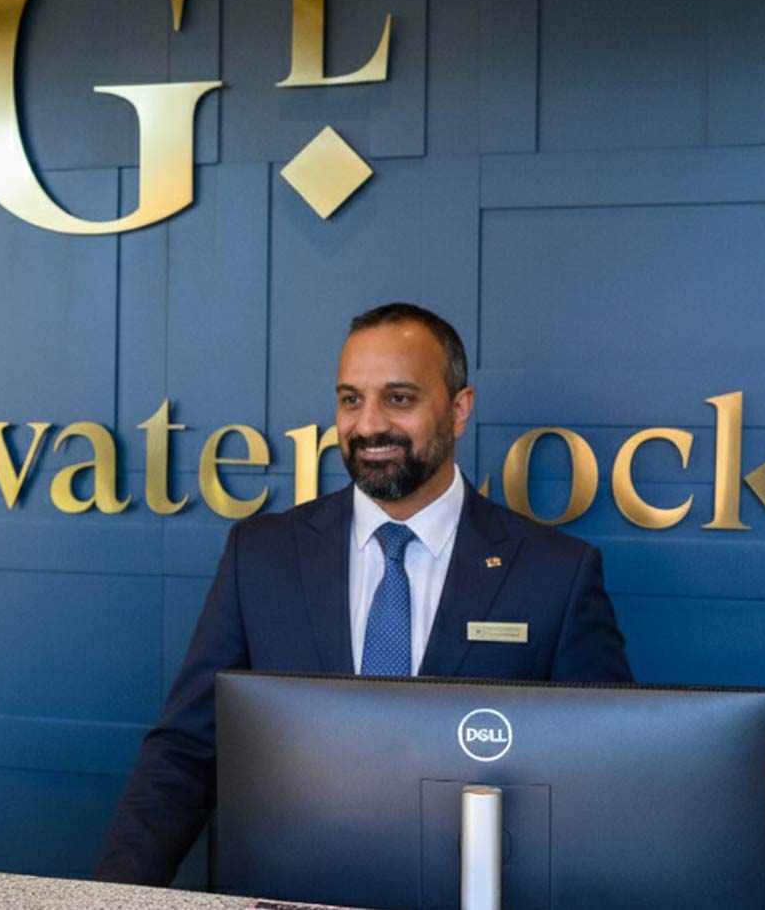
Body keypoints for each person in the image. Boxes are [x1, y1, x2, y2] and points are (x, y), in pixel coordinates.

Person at [96, 302, 631, 886]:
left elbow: (602, 781)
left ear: (458, 410)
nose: (369, 424)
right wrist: (112, 896)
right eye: (351, 399)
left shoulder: (557, 572)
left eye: (399, 398)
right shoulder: (262, 554)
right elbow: (186, 752)